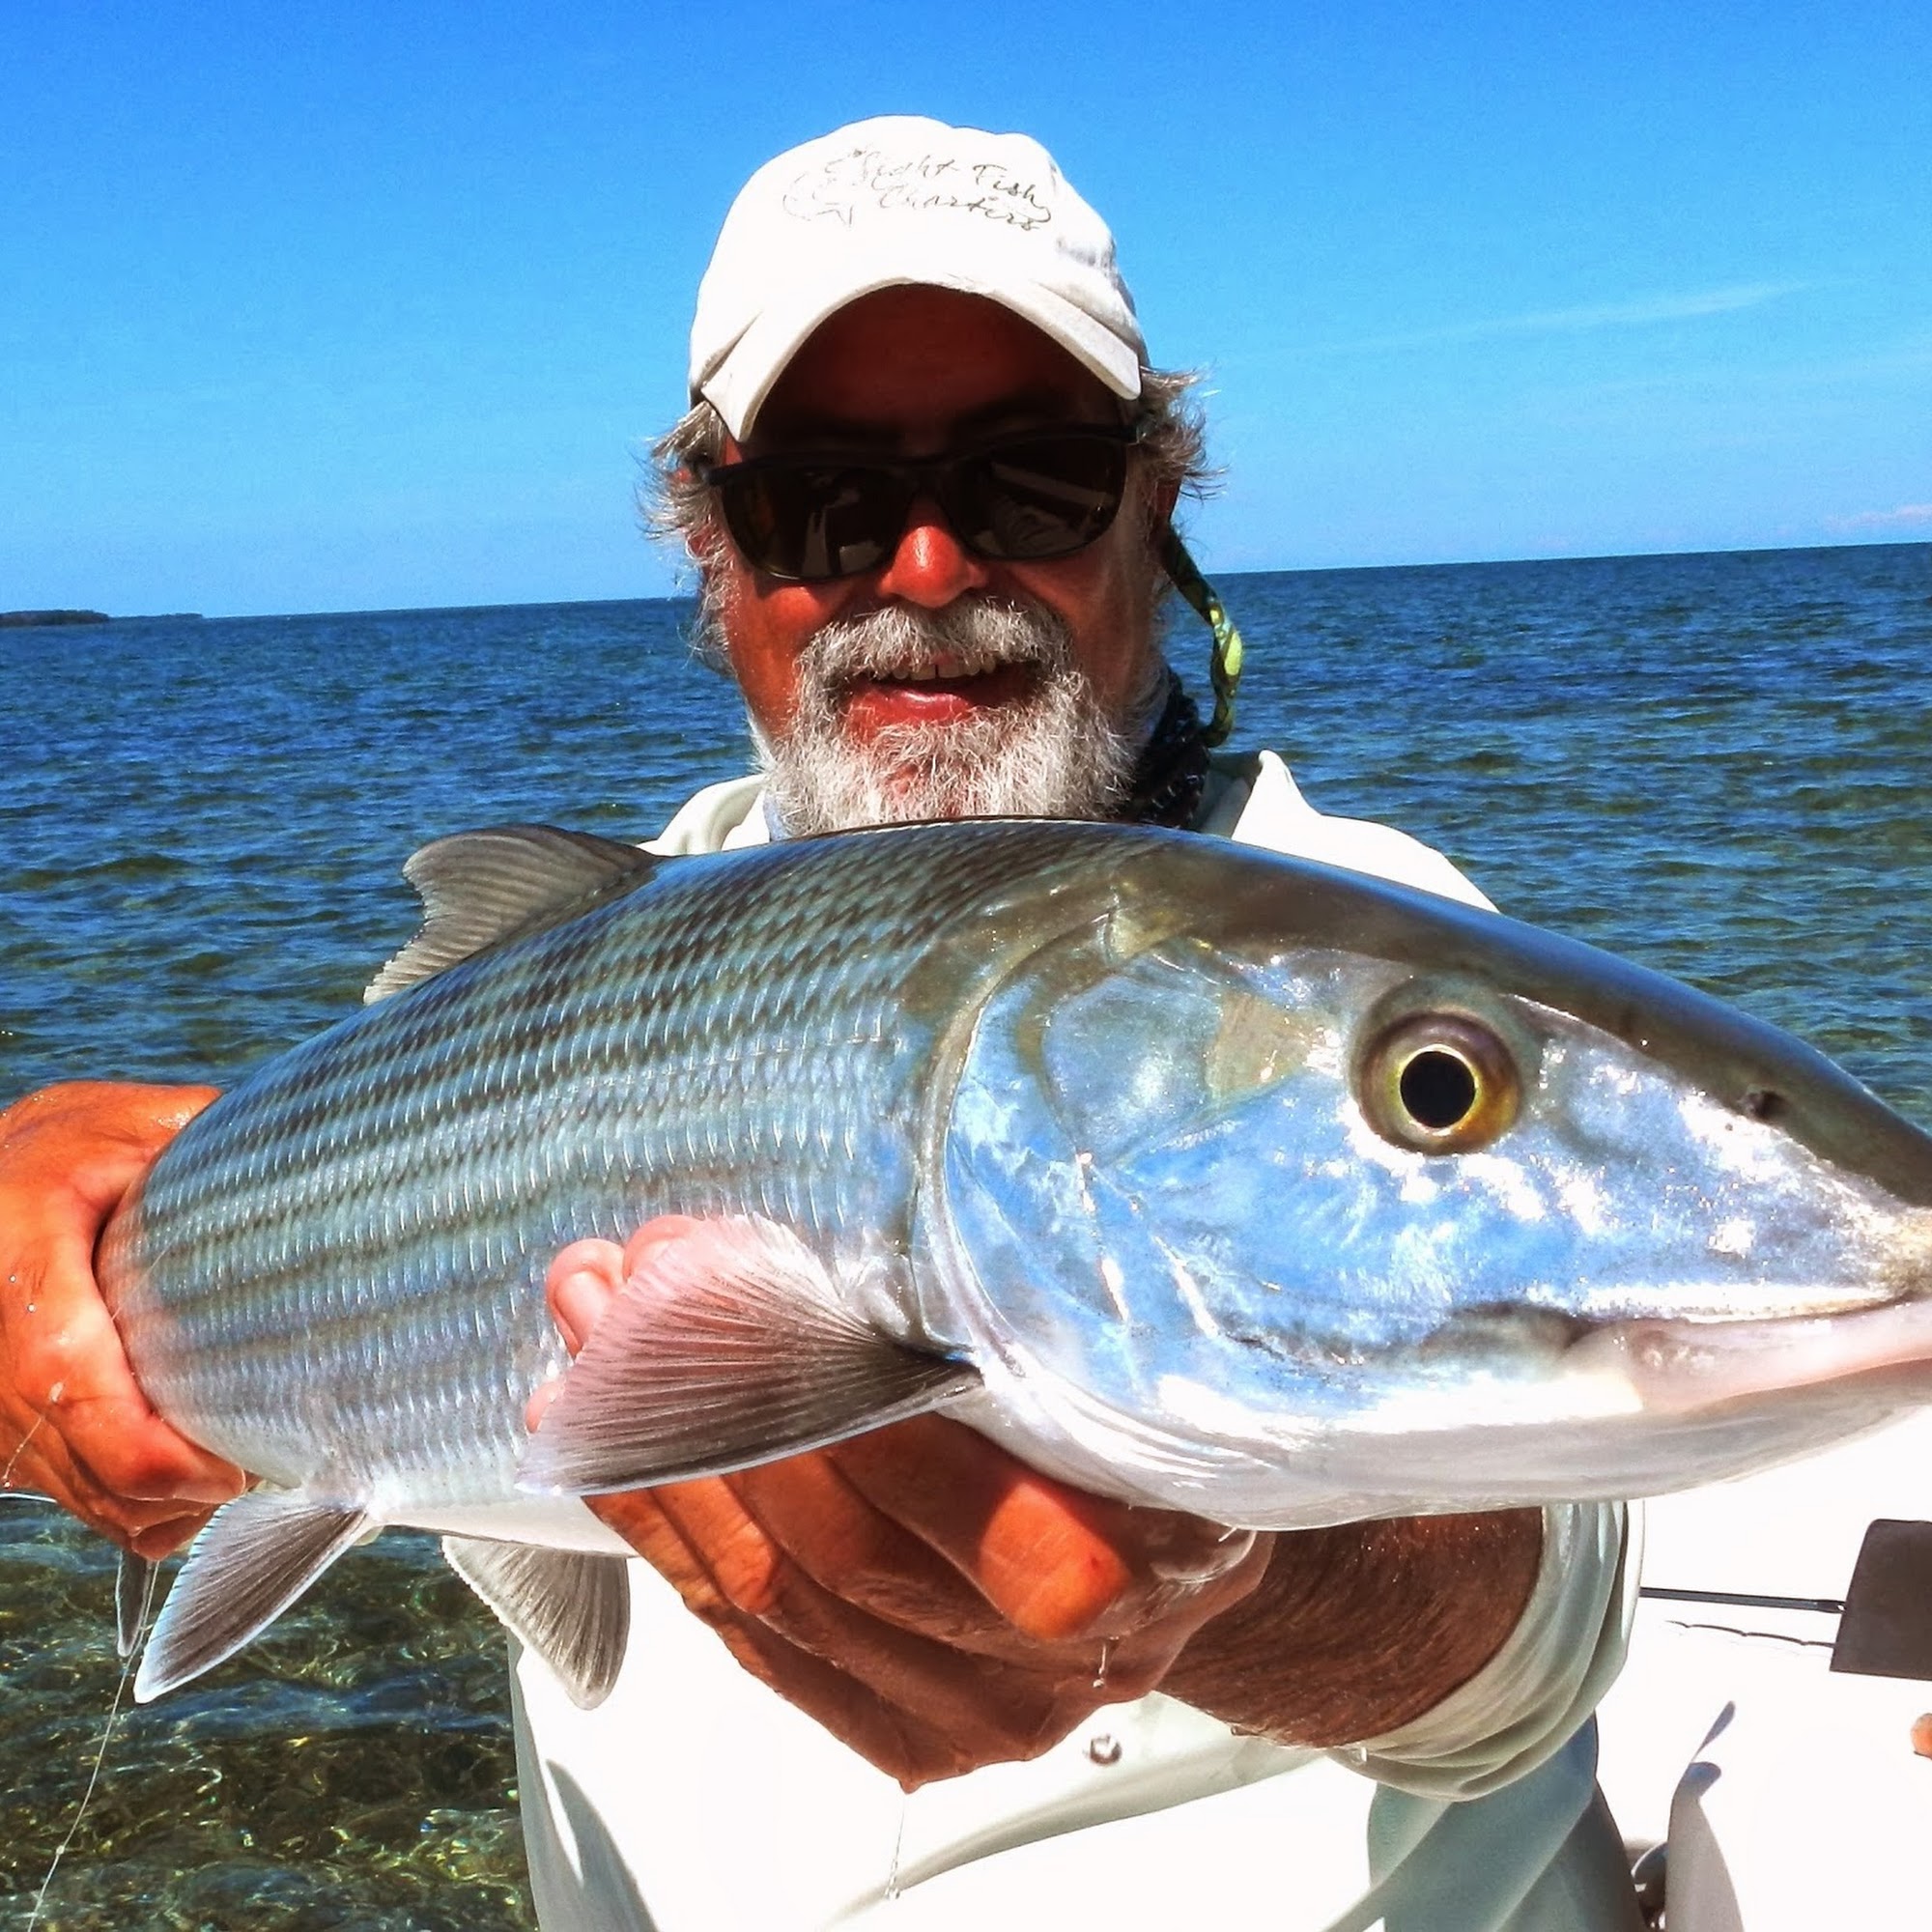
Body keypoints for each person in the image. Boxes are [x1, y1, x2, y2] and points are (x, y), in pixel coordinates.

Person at [0, 119, 1640, 1930]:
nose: (928, 569)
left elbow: (1525, 1648)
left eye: (1032, 479)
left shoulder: (1356, 938)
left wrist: (1231, 1587)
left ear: (1153, 510)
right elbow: (317, 1208)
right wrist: (63, 1240)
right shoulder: (593, 949)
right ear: (715, 557)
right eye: (824, 505)